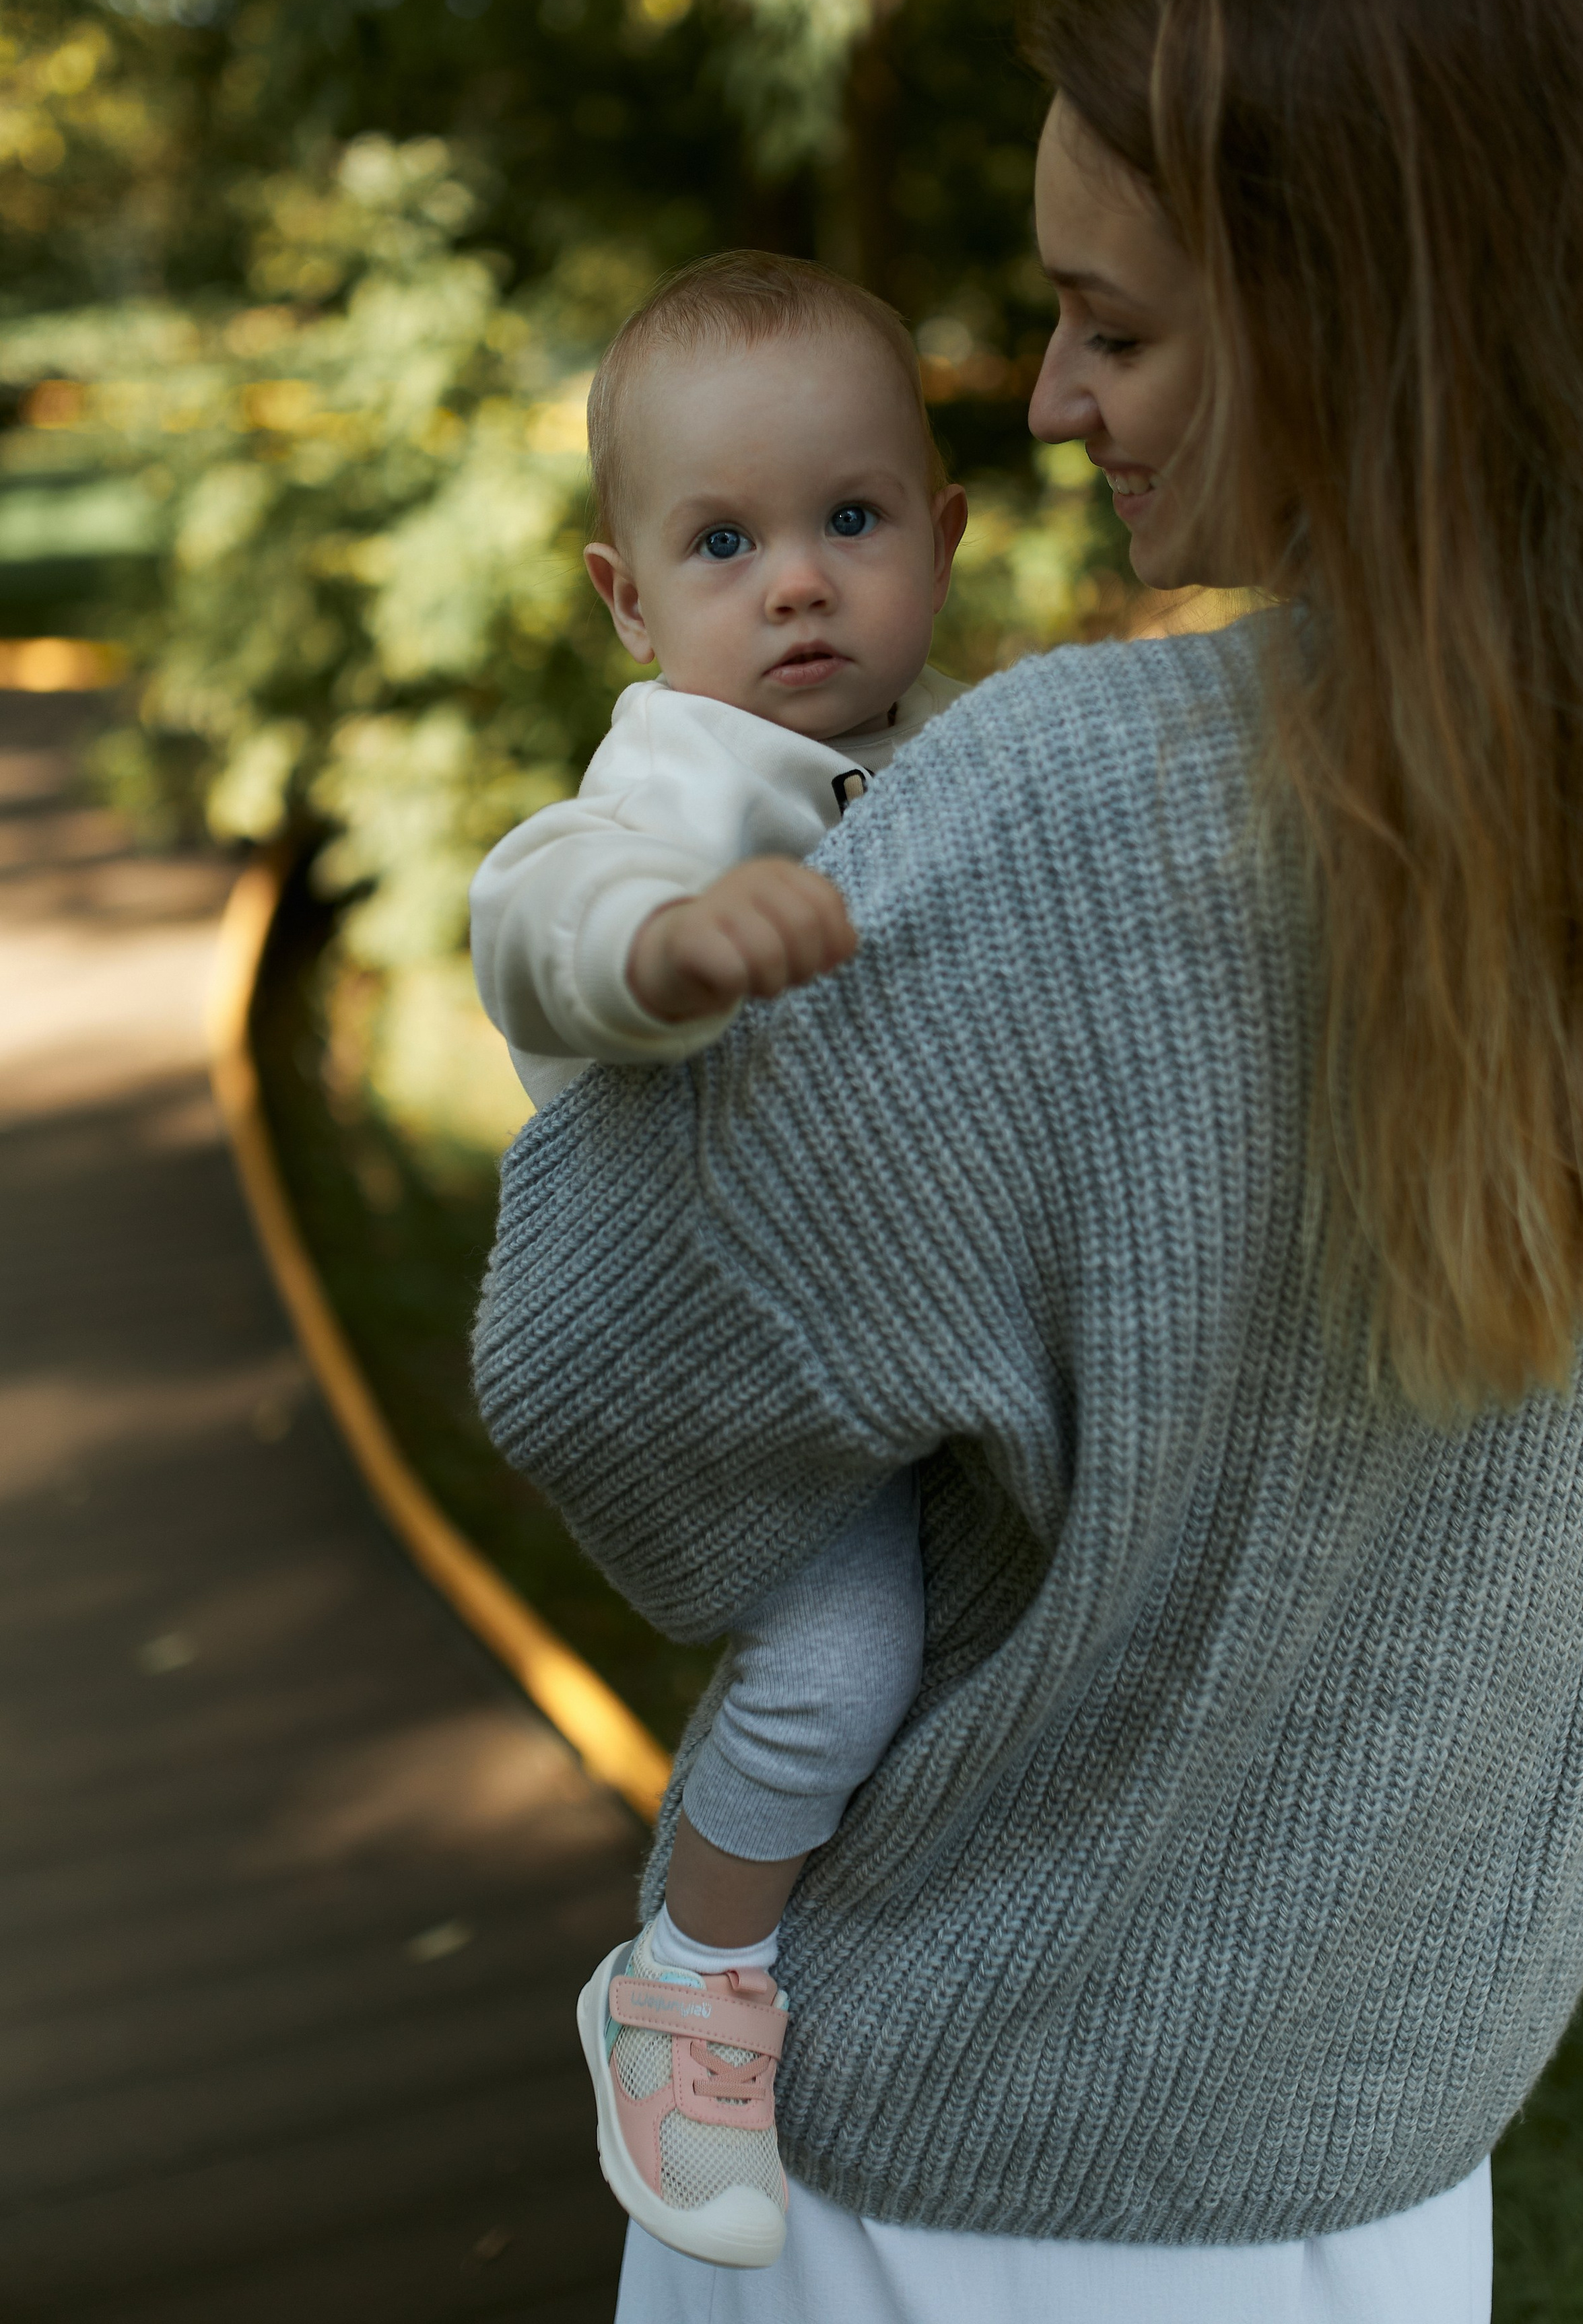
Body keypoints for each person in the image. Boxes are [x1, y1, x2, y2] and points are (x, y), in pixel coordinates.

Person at [473, 0, 1583, 2323]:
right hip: (1386, 2173)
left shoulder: (1075, 817)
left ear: (1343, 324)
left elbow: (600, 1380)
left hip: (957, 2191)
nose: (1046, 402)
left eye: (1110, 325)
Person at [470, 250, 969, 2264]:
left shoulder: (958, 748)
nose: (796, 584)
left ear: (941, 536)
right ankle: (687, 1980)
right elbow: (531, 902)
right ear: (628, 599)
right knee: (839, 1654)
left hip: (885, 1324)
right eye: (725, 541)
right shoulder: (683, 777)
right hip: (716, 1352)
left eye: (852, 522)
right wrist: (660, 950)